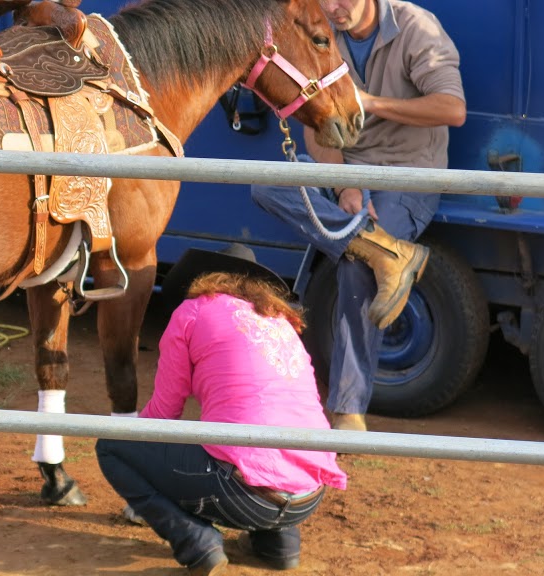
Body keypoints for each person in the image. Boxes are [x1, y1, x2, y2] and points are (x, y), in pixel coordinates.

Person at [250, 0, 466, 431]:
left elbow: (452, 109)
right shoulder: (319, 27)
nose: (335, 7)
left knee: (354, 270)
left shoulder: (415, 26)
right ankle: (385, 252)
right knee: (265, 184)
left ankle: (348, 409)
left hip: (410, 176)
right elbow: (316, 126)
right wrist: (345, 183)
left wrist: (371, 103)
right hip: (349, 174)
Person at [96, 264, 347, 576]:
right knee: (260, 440)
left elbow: (163, 415)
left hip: (242, 496)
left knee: (111, 445)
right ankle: (279, 545)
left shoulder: (192, 312)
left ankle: (197, 542)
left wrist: (138, 453)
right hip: (308, 497)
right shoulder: (279, 318)